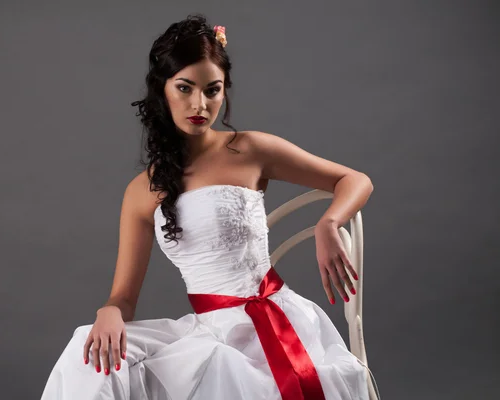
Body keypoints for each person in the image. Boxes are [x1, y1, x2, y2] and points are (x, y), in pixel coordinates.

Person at [41, 14, 374, 400]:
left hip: (274, 322)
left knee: (223, 369)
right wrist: (109, 311)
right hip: (208, 331)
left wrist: (329, 223)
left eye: (212, 90)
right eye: (185, 88)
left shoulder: (249, 150)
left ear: (224, 92)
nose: (199, 104)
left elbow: (355, 180)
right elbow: (124, 297)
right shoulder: (142, 190)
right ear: (162, 90)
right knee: (88, 350)